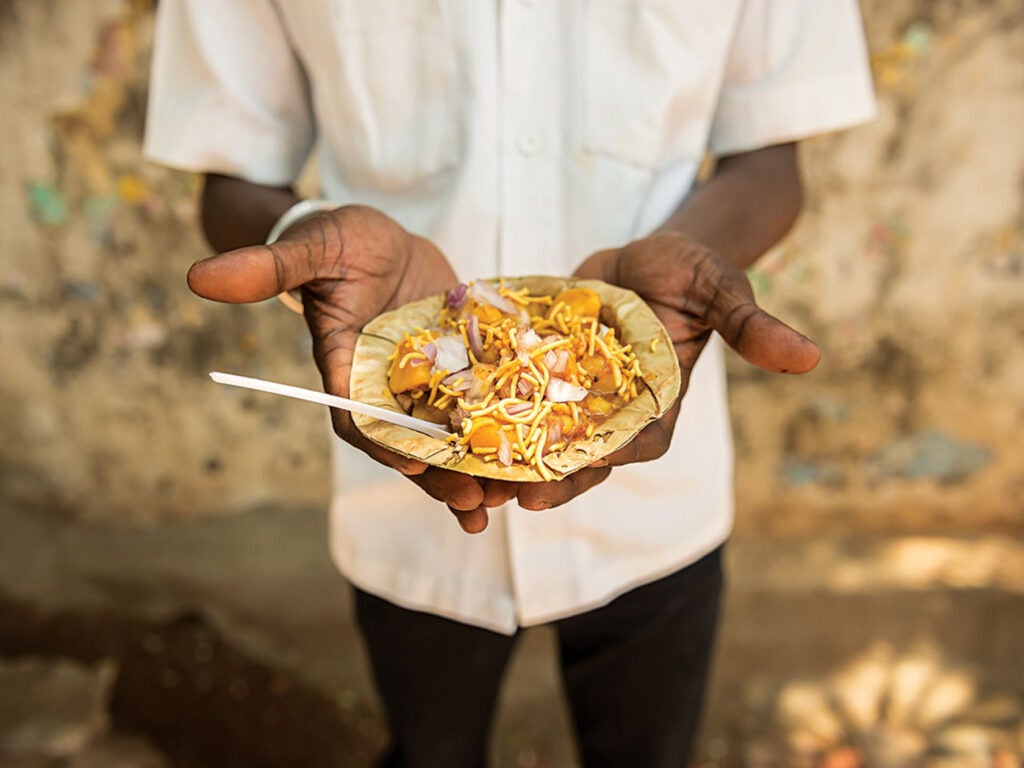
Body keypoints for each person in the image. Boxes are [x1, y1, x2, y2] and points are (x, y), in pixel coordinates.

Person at [145, 2, 876, 765]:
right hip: (407, 486)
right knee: (429, 748)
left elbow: (769, 161)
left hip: (653, 497)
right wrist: (300, 231)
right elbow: (232, 169)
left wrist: (690, 255)